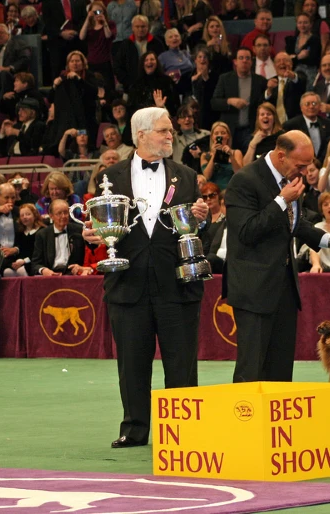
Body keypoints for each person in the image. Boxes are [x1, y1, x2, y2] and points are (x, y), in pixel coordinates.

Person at [82, 107, 209, 448]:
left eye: (170, 131)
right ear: (141, 135)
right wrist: (94, 234)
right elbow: (98, 226)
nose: (171, 136)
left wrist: (202, 218)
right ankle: (134, 429)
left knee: (182, 364)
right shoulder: (110, 177)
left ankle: (185, 431)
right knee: (132, 363)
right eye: (164, 131)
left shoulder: (187, 175)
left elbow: (192, 229)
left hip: (177, 282)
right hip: (127, 281)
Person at [223, 130, 330, 383]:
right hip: (253, 289)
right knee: (252, 368)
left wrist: (329, 240)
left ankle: (275, 421)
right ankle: (247, 422)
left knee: (281, 368)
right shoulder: (244, 180)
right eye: (301, 165)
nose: (305, 171)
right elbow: (246, 231)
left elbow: (295, 223)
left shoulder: (292, 179)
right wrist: (281, 200)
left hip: (284, 286)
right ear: (281, 156)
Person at [212, 47, 268, 152]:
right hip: (229, 130)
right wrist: (229, 101)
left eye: (247, 58)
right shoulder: (225, 79)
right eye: (241, 58)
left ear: (252, 61)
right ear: (235, 61)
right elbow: (214, 103)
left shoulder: (260, 81)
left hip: (250, 131)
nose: (244, 61)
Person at [31, 199, 89, 276]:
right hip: (51, 276)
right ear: (51, 216)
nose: (63, 216)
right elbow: (35, 264)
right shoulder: (42, 235)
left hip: (74, 275)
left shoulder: (79, 230)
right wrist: (43, 270)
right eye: (59, 213)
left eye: (65, 212)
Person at [78, 2, 116, 94]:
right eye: (94, 12)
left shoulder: (110, 24)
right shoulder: (89, 26)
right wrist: (88, 18)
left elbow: (108, 36)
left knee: (108, 89)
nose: (97, 14)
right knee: (92, 89)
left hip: (105, 61)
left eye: (99, 11)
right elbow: (81, 37)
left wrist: (104, 22)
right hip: (91, 62)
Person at [201, 121, 243, 190]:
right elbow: (207, 176)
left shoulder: (236, 153)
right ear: (212, 137)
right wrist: (214, 155)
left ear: (228, 136)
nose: (220, 136)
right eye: (216, 133)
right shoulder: (205, 155)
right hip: (213, 192)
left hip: (232, 189)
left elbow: (239, 174)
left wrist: (231, 156)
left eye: (223, 133)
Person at [10, 203, 44, 277]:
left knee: (21, 270)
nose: (24, 217)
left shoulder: (42, 231)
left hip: (35, 262)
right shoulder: (20, 232)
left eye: (28, 214)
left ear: (35, 215)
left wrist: (24, 261)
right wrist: (18, 261)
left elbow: (39, 253)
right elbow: (20, 249)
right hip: (22, 261)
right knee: (8, 271)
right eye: (22, 215)